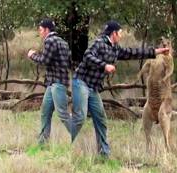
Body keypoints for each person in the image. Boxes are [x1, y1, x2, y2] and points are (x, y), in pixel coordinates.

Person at [70, 20, 170, 157]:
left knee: (101, 119)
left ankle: (104, 154)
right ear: (114, 33)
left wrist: (157, 51)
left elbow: (133, 52)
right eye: (120, 33)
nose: (121, 36)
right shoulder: (99, 43)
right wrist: (104, 65)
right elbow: (87, 56)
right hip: (81, 82)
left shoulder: (115, 48)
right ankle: (64, 144)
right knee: (80, 116)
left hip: (93, 88)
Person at [27, 18, 72, 144]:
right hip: (53, 83)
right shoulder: (63, 42)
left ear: (47, 30)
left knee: (62, 114)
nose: (39, 32)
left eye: (41, 30)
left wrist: (32, 55)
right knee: (45, 111)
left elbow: (45, 61)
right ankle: (42, 141)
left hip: (57, 84)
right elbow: (64, 62)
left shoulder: (50, 41)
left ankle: (77, 134)